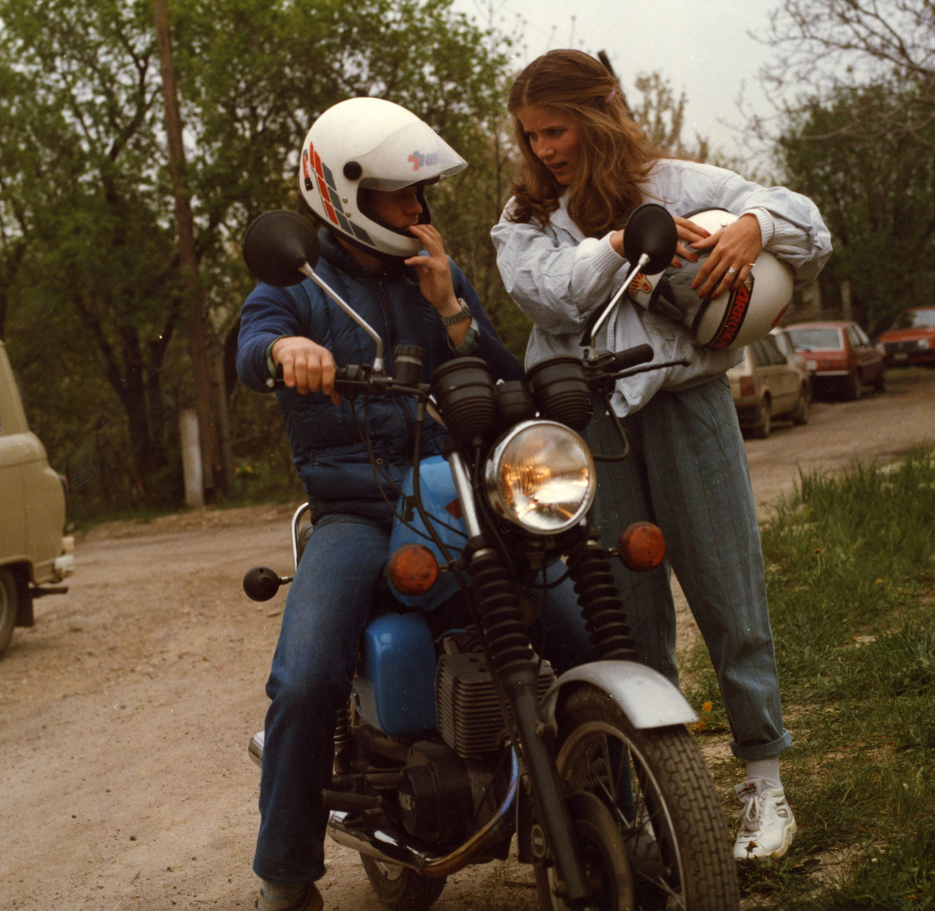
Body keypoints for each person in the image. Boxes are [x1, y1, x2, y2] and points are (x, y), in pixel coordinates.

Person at [236, 97, 588, 911]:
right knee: (303, 677)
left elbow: (504, 384)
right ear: (348, 194)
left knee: (577, 629)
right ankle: (284, 879)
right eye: (403, 196)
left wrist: (451, 308)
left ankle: (627, 814)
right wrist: (285, 348)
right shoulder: (297, 281)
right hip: (357, 511)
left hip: (458, 493)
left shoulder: (436, 274)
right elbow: (251, 348)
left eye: (420, 196)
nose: (419, 211)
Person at [492, 49, 832, 862]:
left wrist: (754, 228)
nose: (544, 150)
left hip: (689, 405)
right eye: (531, 135)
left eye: (557, 129)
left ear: (598, 117)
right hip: (591, 425)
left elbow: (807, 224)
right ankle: (640, 809)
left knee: (728, 593)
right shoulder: (527, 217)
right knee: (621, 623)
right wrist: (617, 245)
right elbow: (546, 292)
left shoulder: (678, 184)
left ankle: (765, 787)